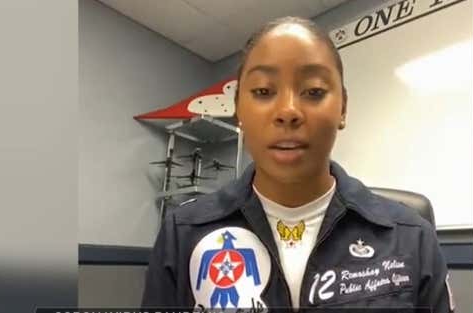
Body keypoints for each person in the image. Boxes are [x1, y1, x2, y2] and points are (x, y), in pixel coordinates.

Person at [141, 16, 454, 312]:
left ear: (342, 107)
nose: (288, 111)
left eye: (314, 92)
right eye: (263, 91)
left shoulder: (412, 238)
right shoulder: (183, 234)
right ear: (238, 108)